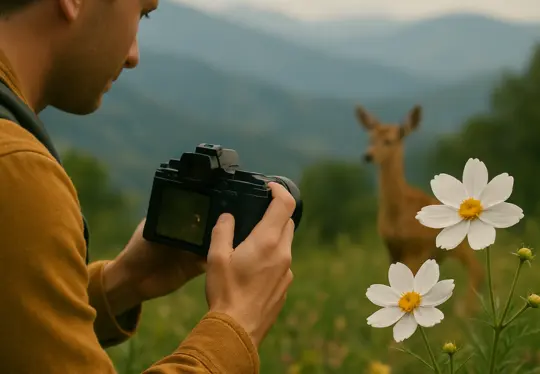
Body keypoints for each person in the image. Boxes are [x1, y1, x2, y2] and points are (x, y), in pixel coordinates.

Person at [0, 0, 296, 373]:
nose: (133, 55)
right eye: (142, 12)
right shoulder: (16, 172)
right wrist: (236, 325)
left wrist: (122, 282)